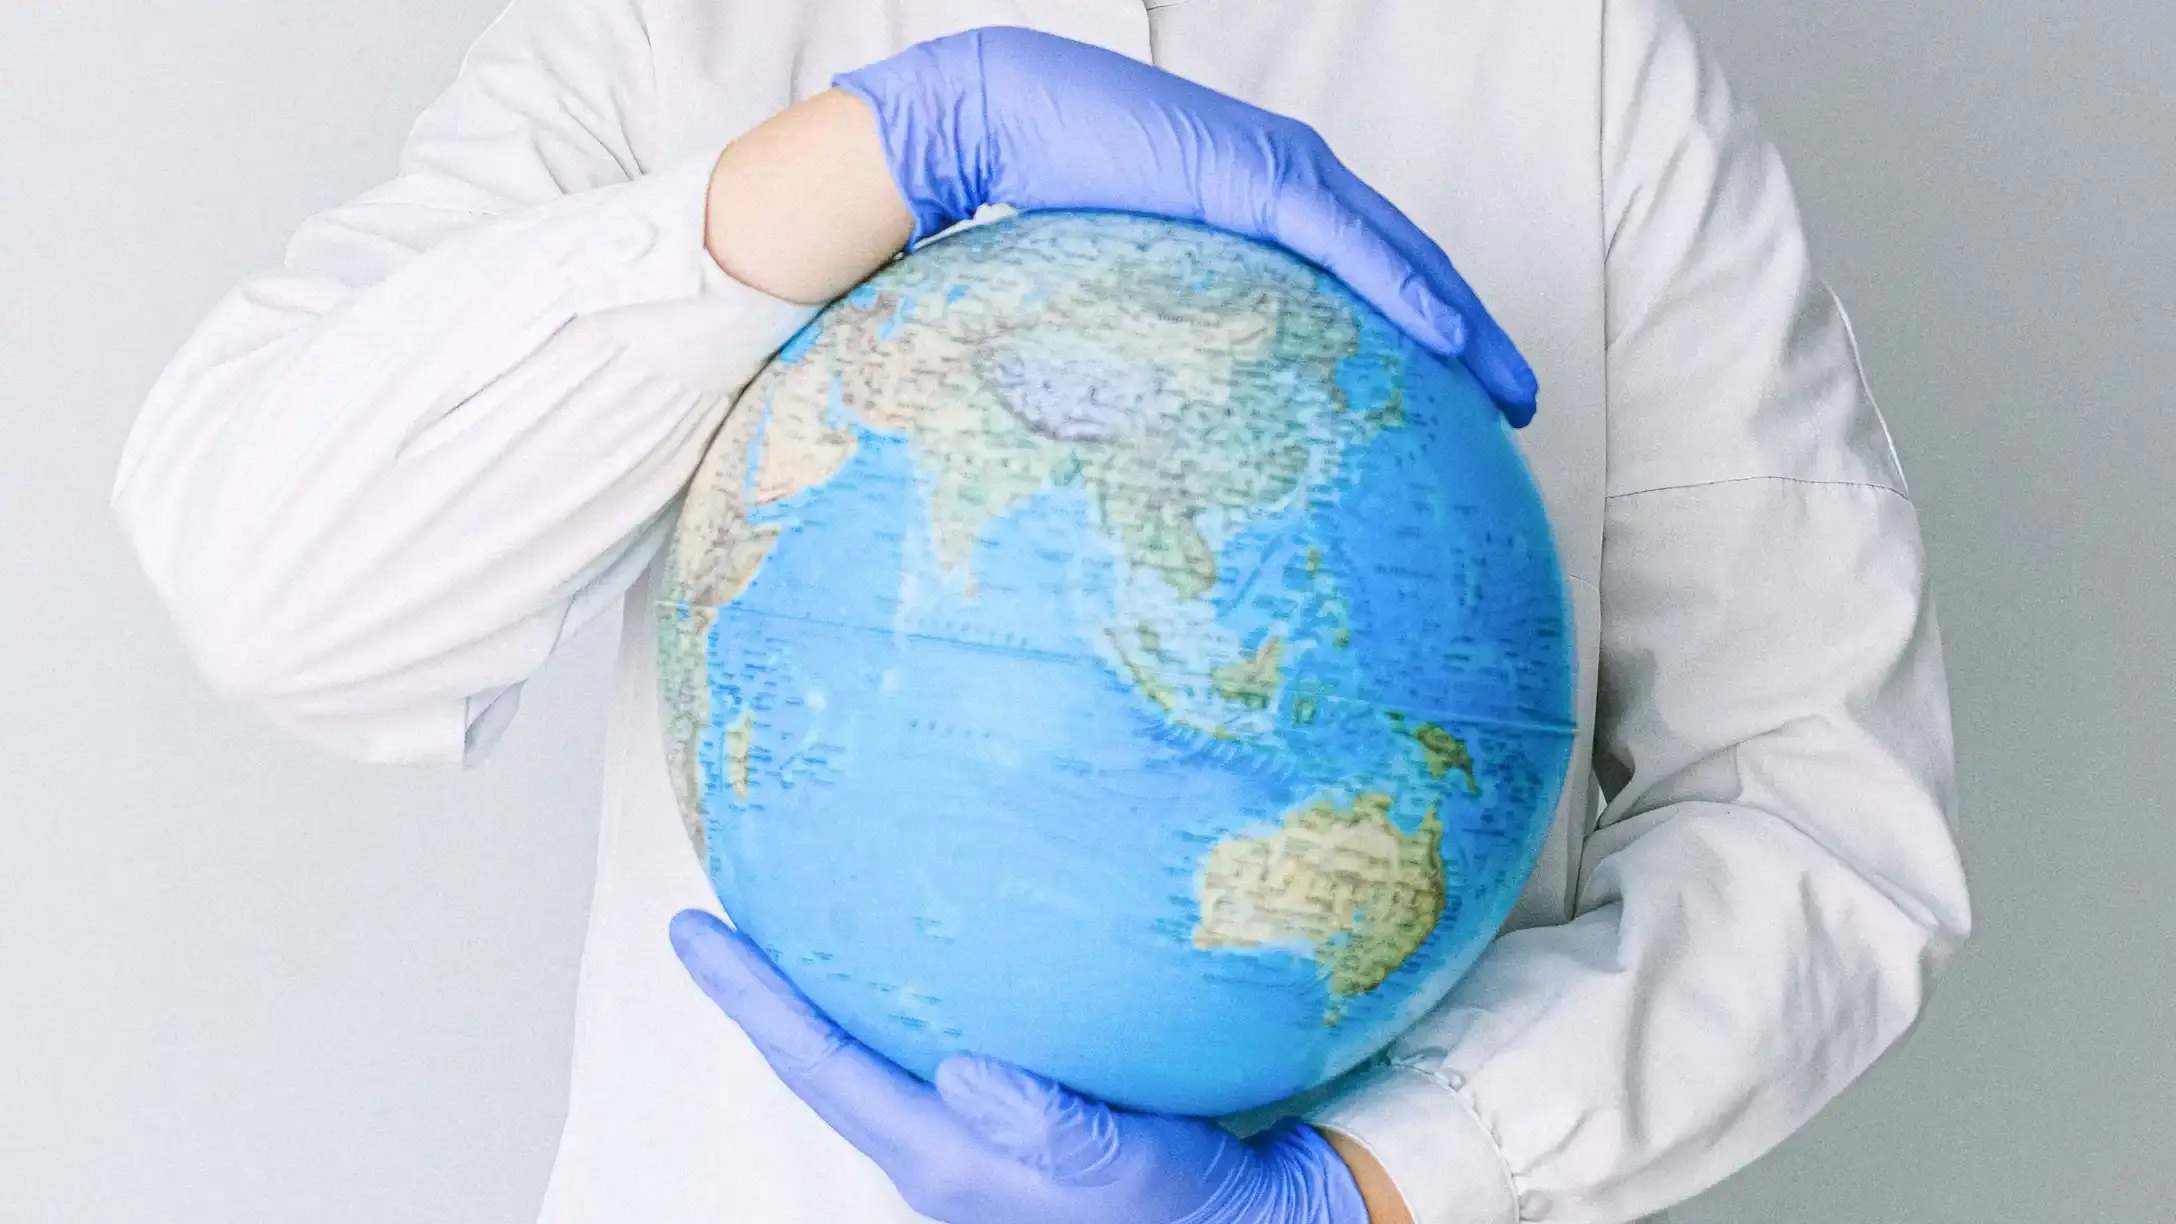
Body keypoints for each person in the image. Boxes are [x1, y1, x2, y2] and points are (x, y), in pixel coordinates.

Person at [110, 3, 1972, 1222]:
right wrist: (874, 158)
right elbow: (277, 583)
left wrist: (1375, 1189)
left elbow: (1827, 819)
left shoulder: (1570, 62)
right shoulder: (674, 27)